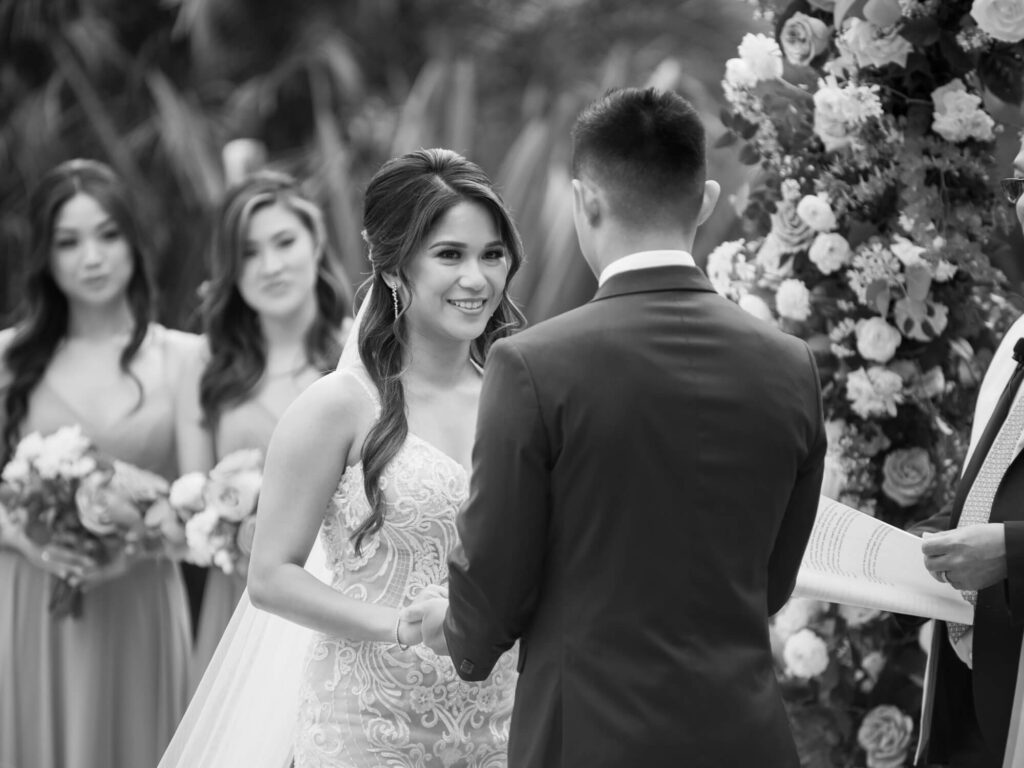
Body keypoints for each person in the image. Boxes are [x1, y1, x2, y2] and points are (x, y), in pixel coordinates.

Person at [404, 87, 827, 768]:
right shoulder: (790, 365)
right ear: (707, 200)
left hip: (589, 739)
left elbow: (498, 570)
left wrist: (461, 632)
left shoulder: (532, 364)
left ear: (584, 200)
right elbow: (771, 583)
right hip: (747, 739)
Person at [161, 147, 527, 768]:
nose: (477, 279)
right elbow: (271, 576)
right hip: (368, 723)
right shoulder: (336, 406)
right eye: (449, 255)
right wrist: (402, 626)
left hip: (501, 723)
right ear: (391, 269)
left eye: (491, 254)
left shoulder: (520, 395)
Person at [0, 158, 201, 768]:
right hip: (31, 597)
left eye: (108, 235)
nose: (92, 257)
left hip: (139, 600)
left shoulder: (184, 359)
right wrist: (32, 543)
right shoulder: (8, 357)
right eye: (69, 241)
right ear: (45, 256)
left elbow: (195, 503)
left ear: (135, 243)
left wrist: (128, 550)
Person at [175, 170, 348, 686]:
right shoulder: (207, 362)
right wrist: (235, 527)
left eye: (284, 242)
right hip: (240, 603)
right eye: (248, 253)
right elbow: (194, 495)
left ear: (316, 241)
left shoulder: (361, 354)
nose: (270, 266)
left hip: (341, 600)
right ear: (230, 267)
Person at [913, 140, 1024, 768]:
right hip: (976, 678)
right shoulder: (1018, 334)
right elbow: (990, 483)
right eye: (1019, 185)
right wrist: (929, 540)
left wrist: (1009, 550)